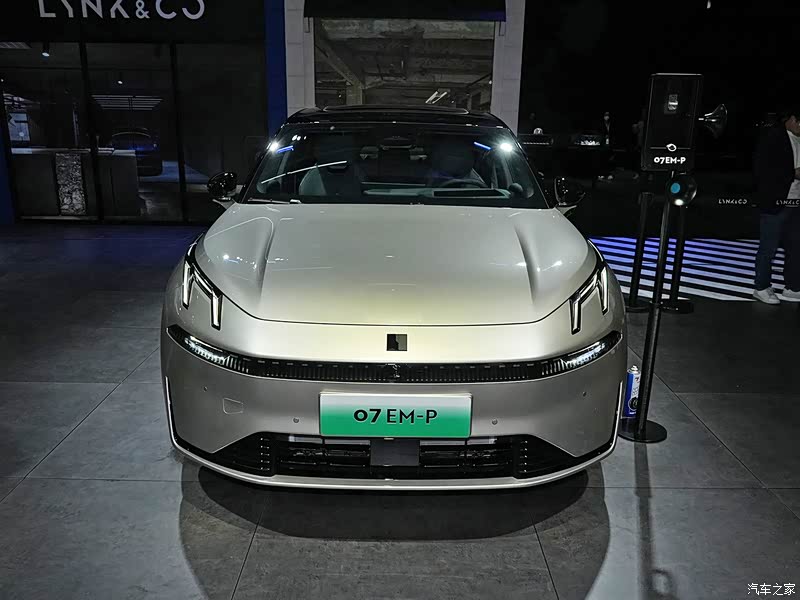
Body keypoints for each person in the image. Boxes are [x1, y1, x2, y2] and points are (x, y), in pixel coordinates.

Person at [752, 108, 800, 304]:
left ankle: (792, 287)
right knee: (769, 247)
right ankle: (761, 286)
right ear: (792, 119)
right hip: (776, 201)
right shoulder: (773, 138)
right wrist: (793, 173)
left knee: (796, 247)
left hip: (796, 201)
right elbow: (763, 169)